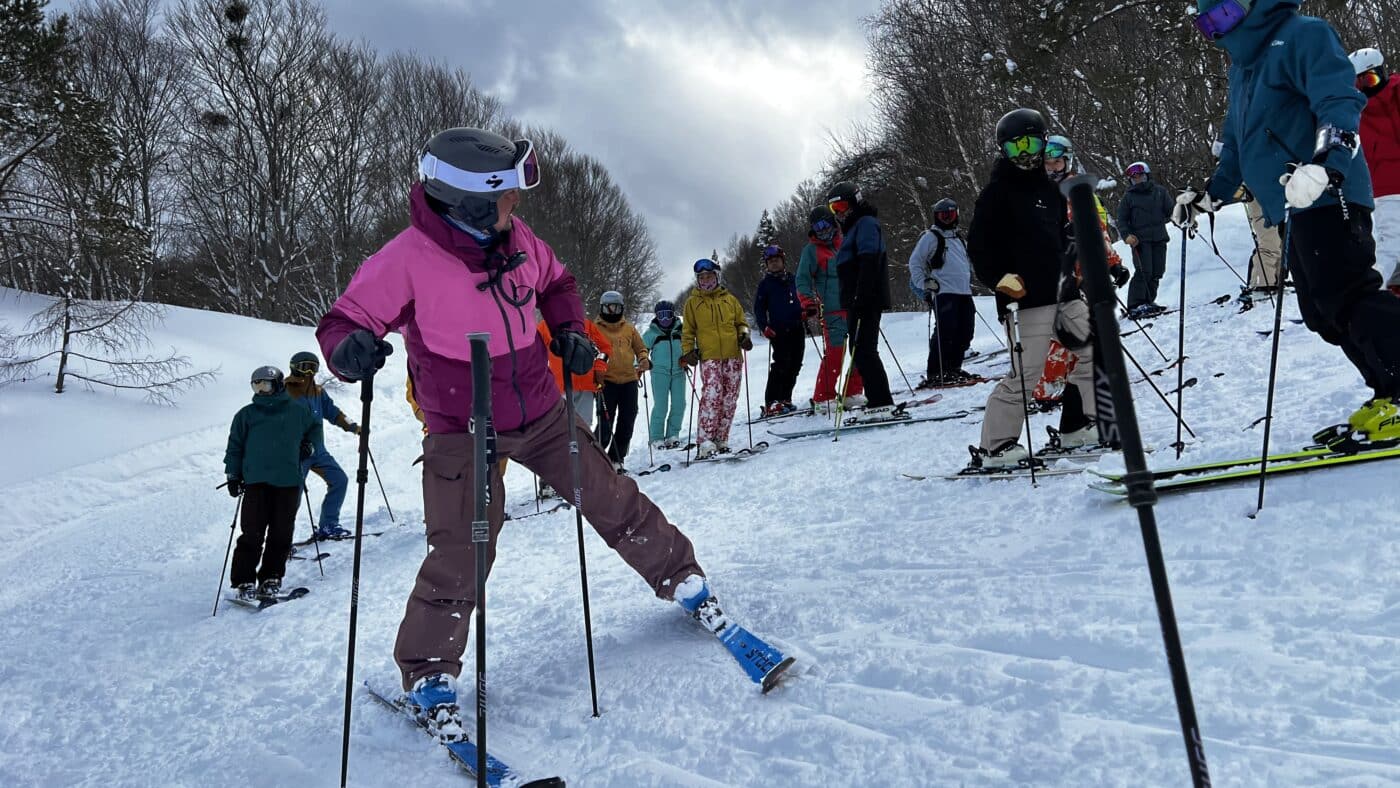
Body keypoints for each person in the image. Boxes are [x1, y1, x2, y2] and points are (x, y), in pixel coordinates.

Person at [316, 127, 720, 735]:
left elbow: (558, 283)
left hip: (540, 407)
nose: (517, 205)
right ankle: (429, 669)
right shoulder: (404, 258)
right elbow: (345, 319)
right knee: (465, 543)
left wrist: (570, 330)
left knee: (609, 494)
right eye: (507, 194)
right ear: (470, 200)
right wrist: (348, 350)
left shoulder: (518, 239)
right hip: (462, 423)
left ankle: (679, 574)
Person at [1178, 0, 1400, 445]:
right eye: (1209, 23)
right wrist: (1210, 195)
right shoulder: (1243, 70)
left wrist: (1326, 164)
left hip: (1324, 190)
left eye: (1226, 14)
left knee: (1348, 295)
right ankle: (1389, 392)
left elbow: (1338, 100)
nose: (1221, 29)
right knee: (1320, 313)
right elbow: (1238, 144)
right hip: (1289, 205)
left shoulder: (1303, 36)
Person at [965, 108, 1098, 470]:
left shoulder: (1049, 191)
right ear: (1003, 150)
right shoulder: (996, 194)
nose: (1024, 153)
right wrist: (998, 278)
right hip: (1026, 300)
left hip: (1064, 293)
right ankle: (997, 447)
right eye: (1014, 146)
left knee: (1096, 349)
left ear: (1043, 144)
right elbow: (978, 246)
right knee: (1028, 373)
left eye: (1031, 143)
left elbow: (1057, 237)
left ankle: (1077, 426)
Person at [1034, 135, 1130, 407]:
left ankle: (1077, 384)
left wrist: (1113, 263)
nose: (1052, 167)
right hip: (1058, 275)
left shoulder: (1078, 190)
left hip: (1087, 272)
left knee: (1091, 329)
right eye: (1047, 163)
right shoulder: (1039, 194)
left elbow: (1098, 231)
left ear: (1068, 160)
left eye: (1057, 162)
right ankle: (1047, 389)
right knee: (1065, 334)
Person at [223, 366, 321, 601]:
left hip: (288, 481)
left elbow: (314, 428)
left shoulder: (297, 412)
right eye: (256, 386)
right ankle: (244, 580)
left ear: (276, 385)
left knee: (281, 532)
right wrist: (233, 475)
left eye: (265, 385)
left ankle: (271, 577)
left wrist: (310, 446)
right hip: (256, 482)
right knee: (251, 533)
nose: (260, 390)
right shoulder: (246, 415)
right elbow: (234, 447)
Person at [826, 181, 895, 417]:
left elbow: (869, 259)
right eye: (834, 209)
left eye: (842, 205)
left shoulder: (865, 223)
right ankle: (878, 398)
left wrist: (861, 295)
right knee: (861, 349)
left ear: (855, 201)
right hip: (857, 299)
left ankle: (881, 401)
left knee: (864, 350)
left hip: (865, 298)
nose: (840, 212)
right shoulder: (854, 227)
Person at [680, 258, 751, 458]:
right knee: (712, 396)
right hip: (709, 356)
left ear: (716, 276)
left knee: (730, 397)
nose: (705, 280)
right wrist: (688, 351)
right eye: (701, 277)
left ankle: (721, 438)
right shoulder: (693, 303)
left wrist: (744, 335)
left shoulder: (730, 300)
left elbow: (741, 323)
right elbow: (688, 331)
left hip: (733, 355)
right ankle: (705, 442)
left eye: (709, 276)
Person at [795, 206, 864, 407]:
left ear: (833, 223)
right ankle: (823, 397)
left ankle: (852, 393)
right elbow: (802, 280)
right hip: (833, 311)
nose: (822, 230)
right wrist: (808, 303)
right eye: (817, 227)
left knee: (859, 349)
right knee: (836, 354)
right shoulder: (811, 251)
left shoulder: (845, 243)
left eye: (825, 224)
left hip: (854, 306)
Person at [284, 351, 358, 539]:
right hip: (296, 455)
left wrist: (353, 426)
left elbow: (333, 412)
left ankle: (328, 526)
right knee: (292, 497)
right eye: (304, 367)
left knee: (340, 480)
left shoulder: (318, 392)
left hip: (318, 452)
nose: (308, 372)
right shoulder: (285, 392)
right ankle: (281, 538)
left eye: (313, 367)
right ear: (294, 367)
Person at [909, 197, 976, 388]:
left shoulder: (960, 238)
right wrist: (924, 283)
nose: (946, 219)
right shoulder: (931, 237)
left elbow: (967, 263)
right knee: (946, 332)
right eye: (942, 215)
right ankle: (937, 372)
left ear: (956, 215)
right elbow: (915, 262)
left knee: (965, 332)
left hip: (964, 292)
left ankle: (953, 368)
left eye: (950, 214)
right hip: (944, 292)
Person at [1350, 47, 1400, 293]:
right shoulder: (1354, 110)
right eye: (1359, 83)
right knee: (1391, 244)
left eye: (1371, 79)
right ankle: (1372, 295)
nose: (1366, 88)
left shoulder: (1397, 91)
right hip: (1385, 188)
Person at [594, 291, 650, 471]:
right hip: (606, 382)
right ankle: (595, 459)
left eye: (616, 307)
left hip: (629, 380)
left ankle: (617, 458)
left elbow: (641, 347)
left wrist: (643, 359)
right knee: (605, 423)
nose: (612, 311)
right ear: (602, 308)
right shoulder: (595, 328)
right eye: (609, 308)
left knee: (628, 419)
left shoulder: (629, 328)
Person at [752, 245, 806, 415]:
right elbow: (759, 308)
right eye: (770, 262)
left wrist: (806, 310)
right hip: (778, 331)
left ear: (783, 261)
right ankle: (772, 402)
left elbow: (803, 298)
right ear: (766, 265)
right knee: (781, 365)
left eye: (776, 260)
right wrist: (764, 326)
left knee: (795, 364)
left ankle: (785, 398)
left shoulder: (793, 279)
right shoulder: (765, 285)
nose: (774, 264)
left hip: (797, 327)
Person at [1117, 161, 1175, 318]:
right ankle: (1135, 305)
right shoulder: (1129, 197)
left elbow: (1172, 211)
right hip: (1140, 241)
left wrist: (1184, 219)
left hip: (1159, 238)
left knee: (1157, 271)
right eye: (1134, 178)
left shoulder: (1160, 192)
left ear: (1147, 175)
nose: (1138, 179)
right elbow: (1121, 220)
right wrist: (1126, 235)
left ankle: (1148, 301)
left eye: (1140, 176)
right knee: (1144, 271)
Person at [538, 318, 612, 429]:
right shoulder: (546, 325)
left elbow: (605, 348)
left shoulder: (586, 324)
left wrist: (600, 368)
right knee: (560, 429)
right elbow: (534, 353)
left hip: (585, 388)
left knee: (583, 429)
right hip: (559, 388)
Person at [642, 300, 685, 449]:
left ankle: (673, 434)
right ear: (656, 316)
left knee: (679, 404)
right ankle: (656, 437)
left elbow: (691, 345)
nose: (665, 319)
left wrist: (691, 355)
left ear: (673, 315)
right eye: (661, 315)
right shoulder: (651, 333)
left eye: (668, 315)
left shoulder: (681, 331)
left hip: (679, 371)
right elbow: (640, 351)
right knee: (661, 405)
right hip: (659, 372)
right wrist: (641, 364)